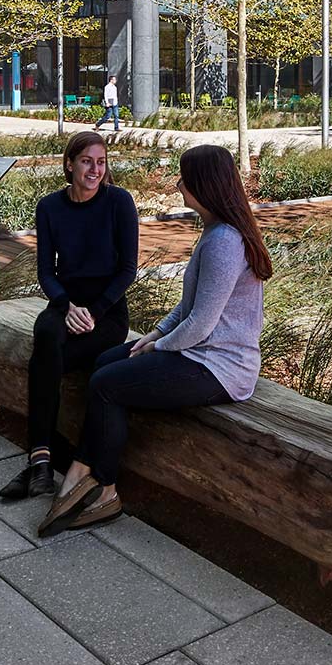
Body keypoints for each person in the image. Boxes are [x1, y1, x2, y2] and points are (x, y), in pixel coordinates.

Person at [38, 143, 270, 536]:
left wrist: (160, 347)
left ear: (203, 185)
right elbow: (187, 309)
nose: (178, 184)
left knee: (107, 385)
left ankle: (103, 486)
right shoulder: (214, 232)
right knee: (106, 361)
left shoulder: (224, 243)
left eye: (184, 178)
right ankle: (84, 469)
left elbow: (202, 324)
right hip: (200, 354)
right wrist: (155, 335)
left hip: (221, 368)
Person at [0, 132, 139, 504]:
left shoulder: (119, 203)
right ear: (69, 164)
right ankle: (43, 462)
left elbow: (128, 270)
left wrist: (93, 312)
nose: (95, 169)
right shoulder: (50, 207)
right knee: (46, 336)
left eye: (101, 162)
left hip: (106, 314)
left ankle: (39, 462)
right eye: (87, 161)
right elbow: (47, 271)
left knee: (46, 362)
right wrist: (66, 306)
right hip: (66, 305)